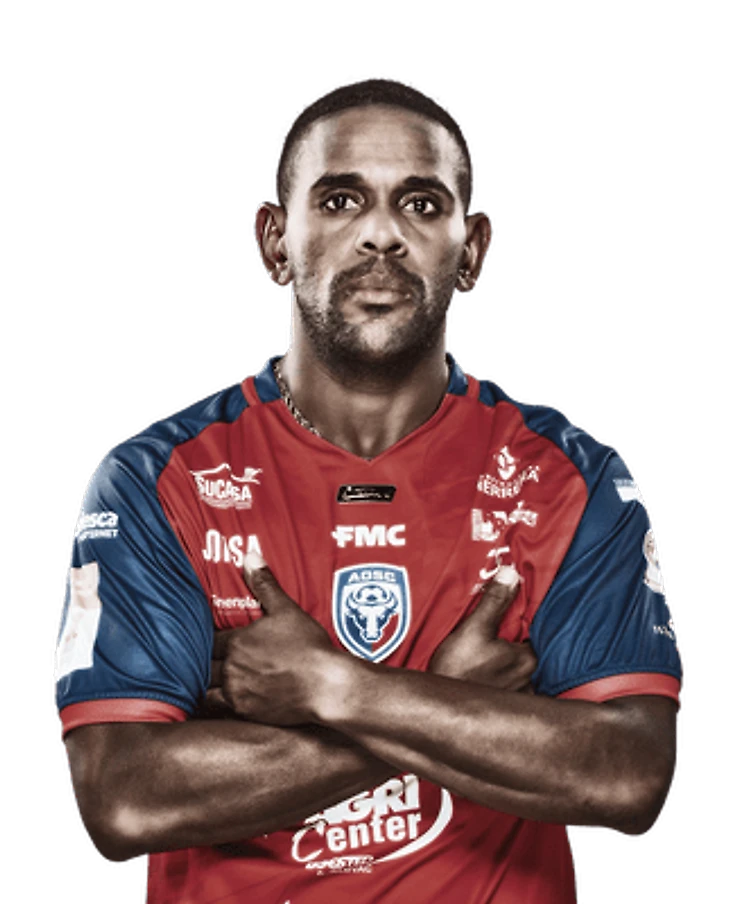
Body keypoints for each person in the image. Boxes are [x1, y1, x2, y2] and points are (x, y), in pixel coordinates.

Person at [55, 76, 682, 903]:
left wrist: (333, 689)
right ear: (275, 241)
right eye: (341, 200)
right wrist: (451, 706)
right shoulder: (156, 481)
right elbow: (124, 799)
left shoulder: (570, 477)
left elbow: (628, 777)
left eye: (421, 204)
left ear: (473, 249)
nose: (381, 233)